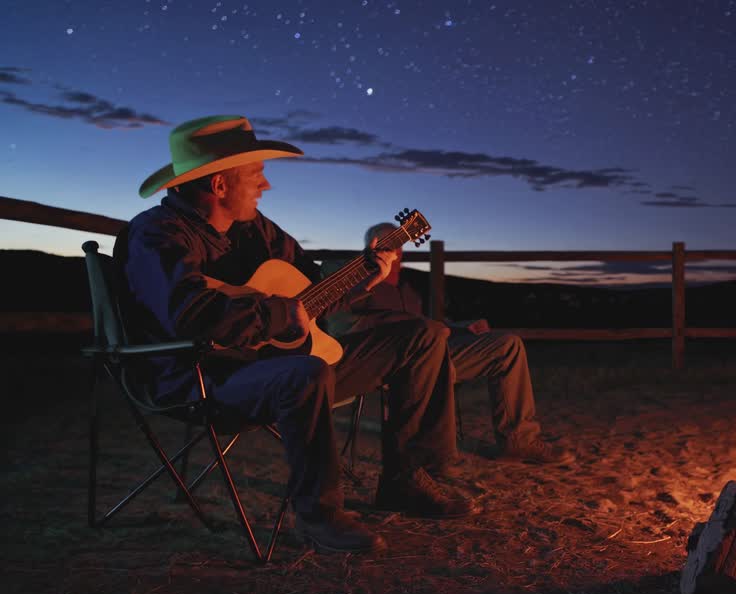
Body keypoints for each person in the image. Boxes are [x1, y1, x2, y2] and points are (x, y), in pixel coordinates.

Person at [115, 115, 474, 555]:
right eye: (256, 173)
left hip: (273, 368)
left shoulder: (257, 230)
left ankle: (406, 479)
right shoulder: (156, 234)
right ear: (221, 185)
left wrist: (361, 280)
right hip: (202, 378)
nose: (265, 185)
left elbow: (310, 296)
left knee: (423, 335)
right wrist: (280, 312)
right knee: (305, 373)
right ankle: (321, 515)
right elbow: (192, 315)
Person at [328, 223, 573, 465]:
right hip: (395, 358)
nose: (395, 253)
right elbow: (346, 327)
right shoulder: (357, 284)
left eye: (398, 246)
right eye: (388, 245)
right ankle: (434, 457)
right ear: (370, 248)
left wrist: (461, 327)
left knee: (507, 345)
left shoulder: (408, 290)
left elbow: (431, 324)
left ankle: (519, 440)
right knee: (432, 358)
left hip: (435, 348)